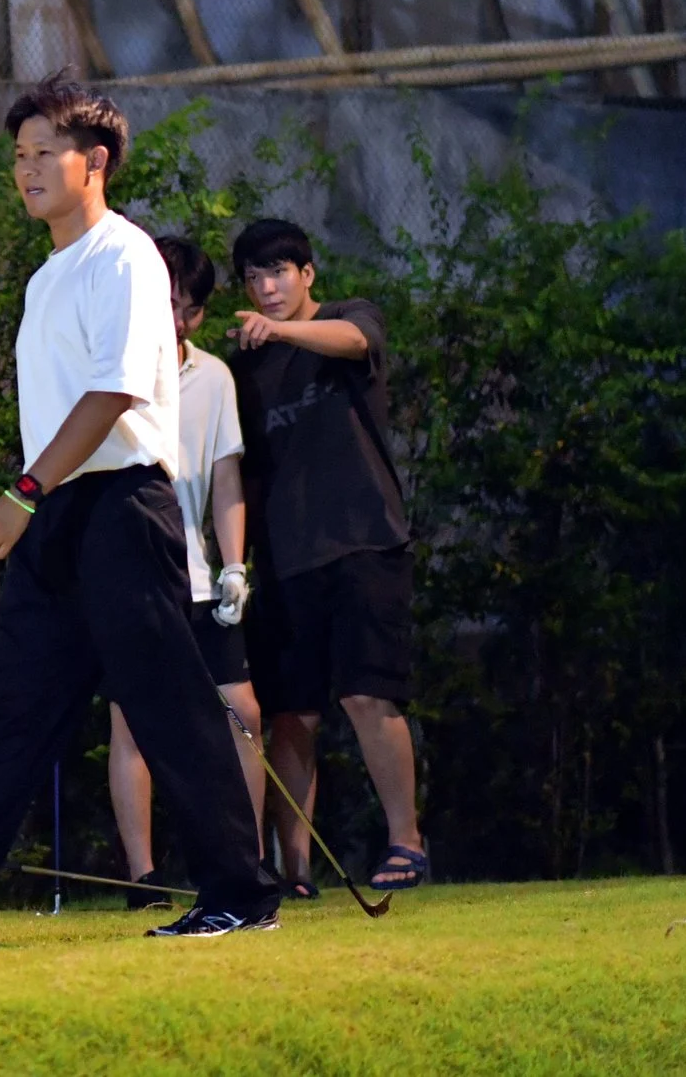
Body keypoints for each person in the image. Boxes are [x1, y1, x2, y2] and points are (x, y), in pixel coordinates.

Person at [0, 75, 281, 947]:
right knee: (14, 707)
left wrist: (22, 493)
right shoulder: (47, 277)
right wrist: (40, 500)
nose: (25, 169)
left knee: (168, 705)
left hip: (118, 504)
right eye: (18, 155)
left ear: (95, 161)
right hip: (60, 513)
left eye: (44, 153)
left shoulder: (124, 255)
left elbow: (113, 392)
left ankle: (241, 891)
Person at [230, 217, 425, 895]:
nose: (267, 287)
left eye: (278, 272)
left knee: (370, 694)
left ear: (307, 274)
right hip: (287, 559)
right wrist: (241, 557)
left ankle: (407, 840)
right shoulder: (245, 369)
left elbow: (355, 341)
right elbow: (246, 472)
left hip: (365, 539)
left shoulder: (347, 317)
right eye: (254, 277)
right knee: (290, 712)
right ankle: (296, 868)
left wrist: (281, 331)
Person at [106, 235, 264, 906]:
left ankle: (248, 859)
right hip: (133, 573)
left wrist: (234, 566)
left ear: (195, 315)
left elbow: (227, 476)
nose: (169, 314)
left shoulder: (214, 376)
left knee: (242, 711)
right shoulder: (111, 369)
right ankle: (144, 876)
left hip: (199, 576)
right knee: (131, 719)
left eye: (182, 305)